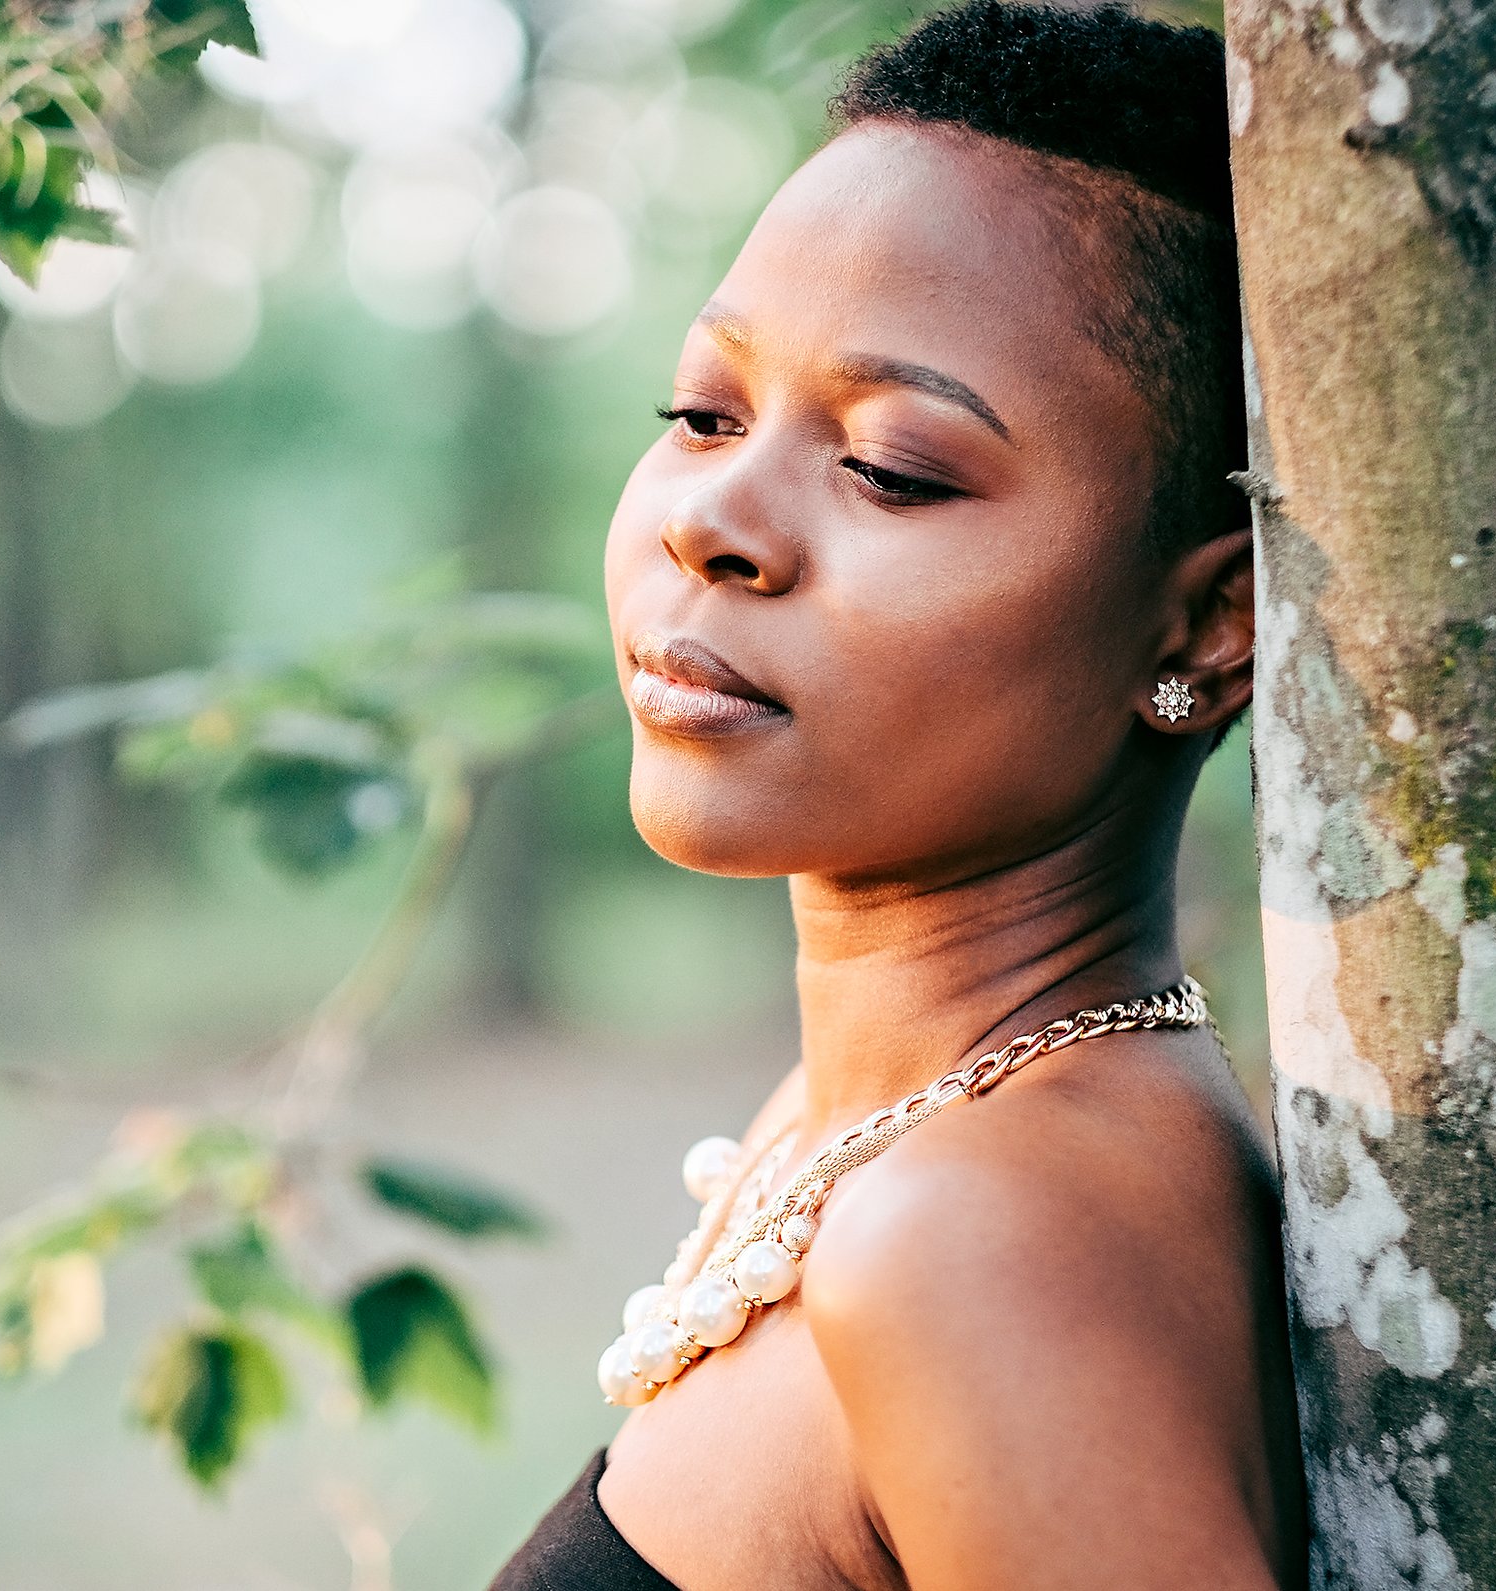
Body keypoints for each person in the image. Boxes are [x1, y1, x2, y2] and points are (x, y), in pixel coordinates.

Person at [490, 2, 1303, 1587]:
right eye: (703, 414)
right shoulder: (873, 1138)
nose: (715, 521)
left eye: (893, 469)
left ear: (1212, 625)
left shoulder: (975, 1234)